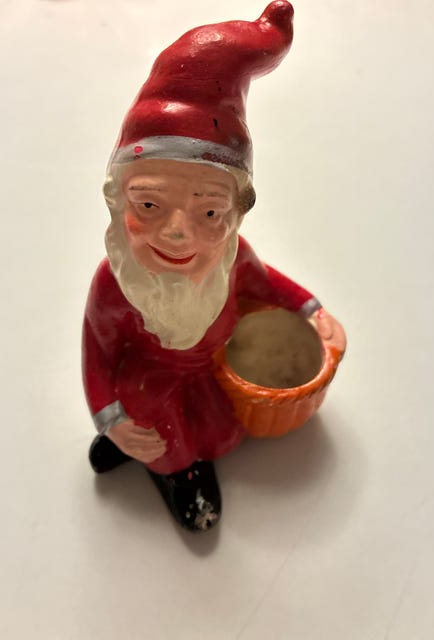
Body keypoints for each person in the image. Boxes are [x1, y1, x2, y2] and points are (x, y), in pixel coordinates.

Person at [82, 1, 346, 532]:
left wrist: (313, 310)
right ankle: (177, 473)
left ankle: (161, 450)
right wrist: (109, 415)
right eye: (149, 205)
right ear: (116, 200)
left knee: (221, 433)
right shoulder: (115, 284)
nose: (177, 232)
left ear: (236, 213)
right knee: (159, 434)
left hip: (210, 369)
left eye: (208, 213)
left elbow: (269, 285)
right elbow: (97, 354)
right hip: (148, 383)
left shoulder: (233, 257)